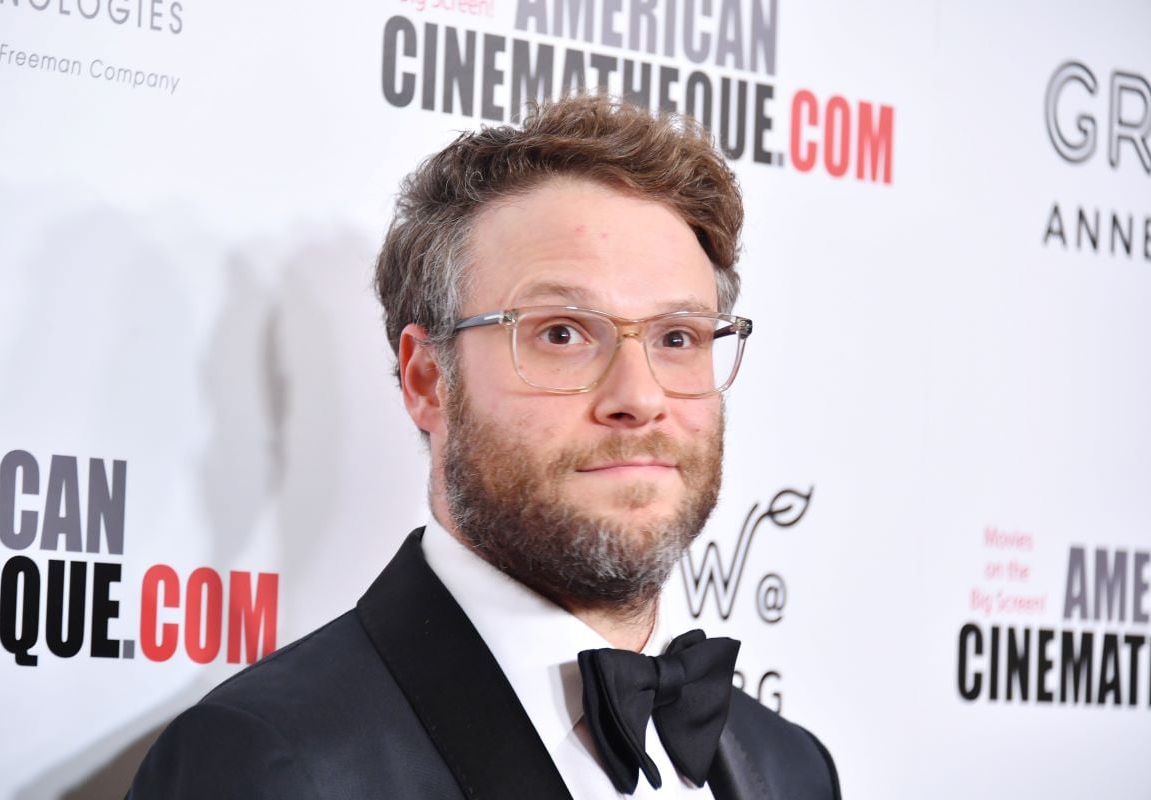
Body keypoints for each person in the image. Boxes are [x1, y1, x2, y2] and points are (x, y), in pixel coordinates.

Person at [127, 95, 840, 799]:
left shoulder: (793, 768)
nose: (641, 396)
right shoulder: (267, 763)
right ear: (428, 377)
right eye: (561, 333)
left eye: (677, 337)